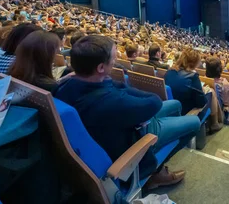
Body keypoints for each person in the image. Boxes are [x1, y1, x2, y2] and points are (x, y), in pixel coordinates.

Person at [54, 35, 200, 189]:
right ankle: (153, 173)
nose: (116, 60)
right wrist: (113, 83)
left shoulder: (65, 84)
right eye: (113, 57)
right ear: (101, 68)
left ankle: (161, 150)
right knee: (194, 122)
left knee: (176, 104)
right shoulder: (111, 99)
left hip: (117, 125)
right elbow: (154, 101)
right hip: (134, 137)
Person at [164, 47, 208, 115]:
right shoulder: (193, 76)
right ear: (194, 63)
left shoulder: (169, 71)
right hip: (184, 112)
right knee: (210, 92)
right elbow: (202, 103)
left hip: (168, 108)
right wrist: (203, 91)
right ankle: (215, 122)